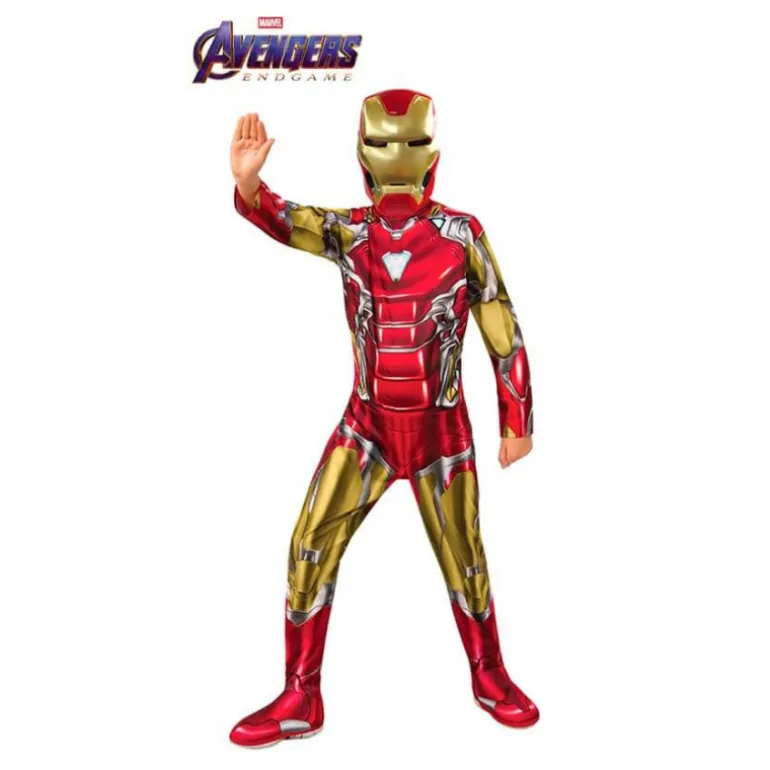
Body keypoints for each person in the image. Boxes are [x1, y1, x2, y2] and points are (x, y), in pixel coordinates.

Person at [228, 89, 538, 749]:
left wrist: (517, 419)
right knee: (310, 541)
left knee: (465, 559)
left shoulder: (461, 235)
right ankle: (301, 694)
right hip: (367, 429)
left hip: (440, 435)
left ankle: (489, 676)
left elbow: (500, 323)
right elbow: (288, 220)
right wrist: (251, 187)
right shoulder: (352, 233)